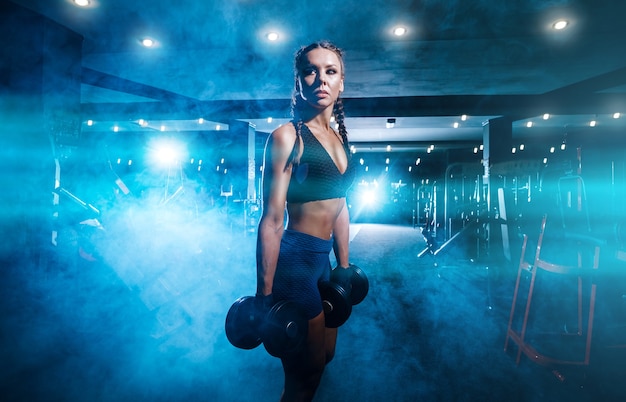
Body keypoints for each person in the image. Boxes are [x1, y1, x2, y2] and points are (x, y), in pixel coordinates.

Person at [255, 40, 356, 401]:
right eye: (310, 71)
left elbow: (341, 206)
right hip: (295, 263)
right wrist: (263, 295)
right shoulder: (287, 137)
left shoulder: (341, 139)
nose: (321, 79)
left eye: (330, 71)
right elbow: (271, 221)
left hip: (323, 263)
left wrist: (343, 266)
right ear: (299, 81)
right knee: (304, 375)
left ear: (341, 82)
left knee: (324, 357)